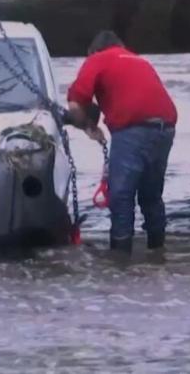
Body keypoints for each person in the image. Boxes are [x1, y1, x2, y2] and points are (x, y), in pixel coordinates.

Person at [65, 31, 177, 254]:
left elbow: (76, 104)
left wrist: (87, 127)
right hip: (165, 129)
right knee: (151, 195)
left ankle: (120, 259)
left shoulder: (97, 59)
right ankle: (158, 251)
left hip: (132, 130)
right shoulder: (139, 61)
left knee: (121, 195)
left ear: (94, 51)